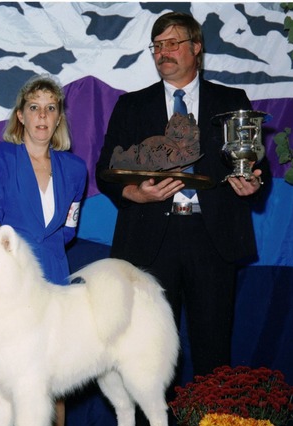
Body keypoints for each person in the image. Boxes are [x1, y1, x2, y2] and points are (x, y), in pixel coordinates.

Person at [95, 12, 269, 379]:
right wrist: (134, 194)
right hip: (148, 242)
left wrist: (253, 183)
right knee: (146, 351)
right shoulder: (131, 105)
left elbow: (254, 164)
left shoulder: (232, 100)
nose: (163, 52)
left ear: (197, 48)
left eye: (172, 43)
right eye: (157, 46)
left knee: (214, 348)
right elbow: (105, 173)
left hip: (212, 238)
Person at [0, 75, 88, 426]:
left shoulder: (75, 169)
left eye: (50, 108)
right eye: (34, 107)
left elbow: (68, 227)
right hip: (5, 280)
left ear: (58, 118)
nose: (42, 115)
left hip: (53, 275)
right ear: (20, 115)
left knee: (53, 376)